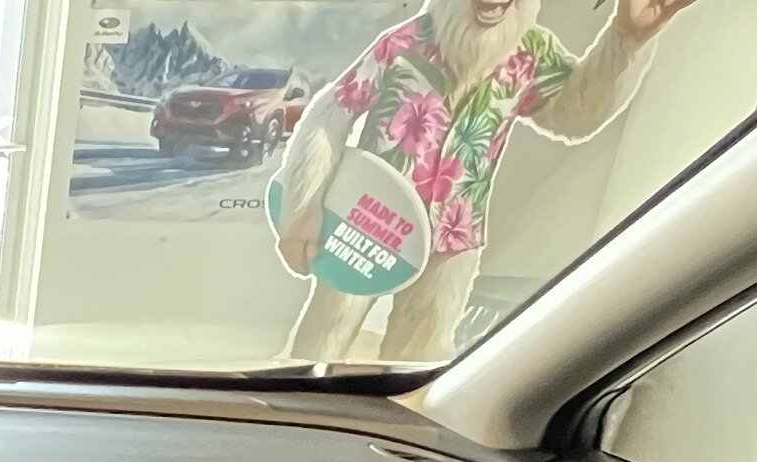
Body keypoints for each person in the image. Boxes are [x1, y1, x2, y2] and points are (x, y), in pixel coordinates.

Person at [276, 0, 701, 363]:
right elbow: (330, 113)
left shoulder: (529, 55)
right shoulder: (405, 44)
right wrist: (305, 206)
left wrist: (627, 38)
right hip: (370, 223)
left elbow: (575, 112)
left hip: (454, 239)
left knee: (420, 357)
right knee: (324, 339)